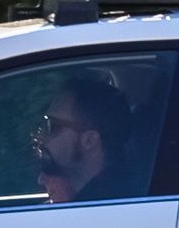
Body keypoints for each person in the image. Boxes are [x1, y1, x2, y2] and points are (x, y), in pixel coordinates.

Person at [30, 69, 138, 204]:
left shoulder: (105, 207)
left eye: (52, 126)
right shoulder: (115, 194)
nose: (42, 138)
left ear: (89, 140)